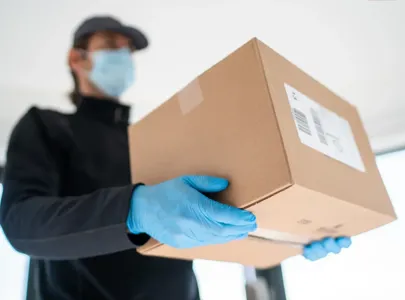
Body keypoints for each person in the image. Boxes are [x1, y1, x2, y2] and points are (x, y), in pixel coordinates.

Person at [0, 15, 352, 300]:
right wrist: (134, 210)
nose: (123, 57)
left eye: (127, 51)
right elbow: (22, 223)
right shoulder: (45, 126)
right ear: (77, 58)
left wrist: (287, 237)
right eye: (111, 46)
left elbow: (205, 227)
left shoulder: (154, 141)